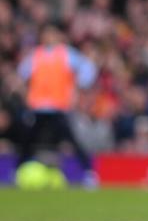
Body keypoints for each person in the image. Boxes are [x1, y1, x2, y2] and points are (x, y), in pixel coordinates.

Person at [17, 24, 99, 181]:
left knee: (71, 141)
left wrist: (78, 88)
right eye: (46, 34)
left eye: (52, 34)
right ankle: (17, 170)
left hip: (58, 107)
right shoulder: (36, 55)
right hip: (38, 107)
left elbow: (87, 68)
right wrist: (25, 95)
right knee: (28, 141)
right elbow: (21, 75)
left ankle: (89, 173)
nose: (49, 37)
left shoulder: (67, 54)